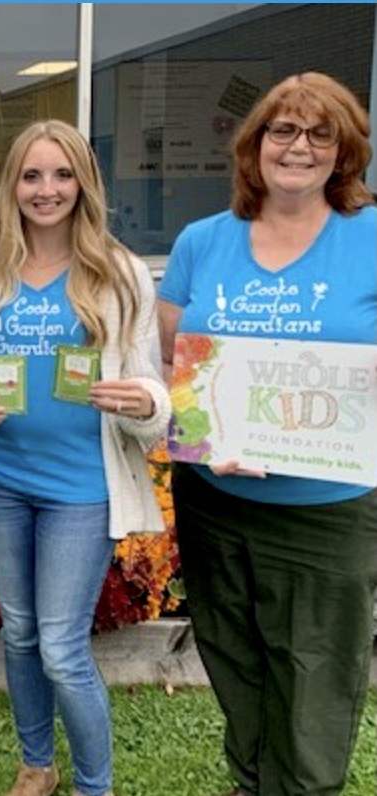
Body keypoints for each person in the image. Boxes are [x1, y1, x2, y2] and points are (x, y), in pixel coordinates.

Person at [0, 120, 171, 796]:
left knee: (62, 649)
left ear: (83, 184)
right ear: (11, 185)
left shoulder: (118, 274)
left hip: (81, 488)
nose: (46, 190)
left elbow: (155, 388)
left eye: (61, 175)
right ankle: (36, 764)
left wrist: (140, 402)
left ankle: (94, 784)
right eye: (31, 176)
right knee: (20, 634)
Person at [157, 72, 376, 796]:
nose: (298, 146)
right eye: (282, 130)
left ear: (343, 151)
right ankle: (250, 781)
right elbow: (173, 365)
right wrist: (205, 430)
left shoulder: (369, 236)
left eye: (320, 133)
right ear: (253, 146)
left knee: (315, 673)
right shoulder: (201, 243)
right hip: (214, 499)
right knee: (233, 657)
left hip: (325, 507)